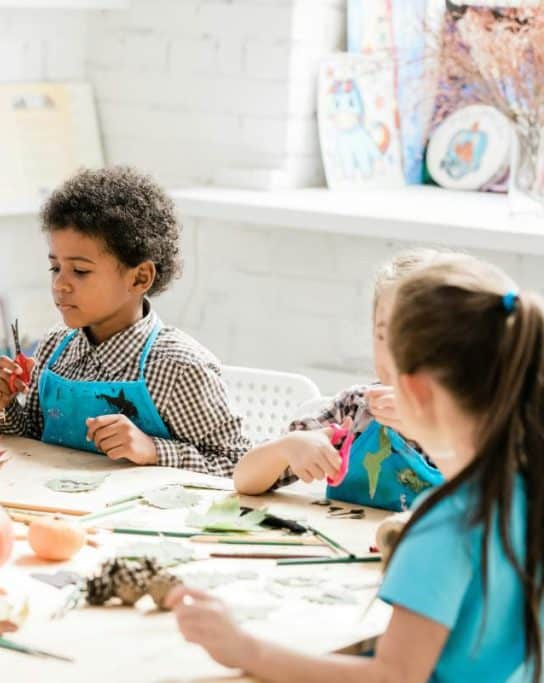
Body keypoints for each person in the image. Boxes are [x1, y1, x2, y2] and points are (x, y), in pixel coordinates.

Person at [168, 254, 543, 683]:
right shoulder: (522, 487)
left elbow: (395, 677)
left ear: (414, 392)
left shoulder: (445, 524)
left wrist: (244, 650)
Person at [0, 166, 249, 473]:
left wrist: (154, 450)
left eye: (80, 271)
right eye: (55, 268)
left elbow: (239, 466)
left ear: (140, 277)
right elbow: (34, 439)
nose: (60, 284)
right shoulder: (54, 348)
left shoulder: (179, 368)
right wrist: (0, 407)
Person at [233, 250, 444, 511]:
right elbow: (244, 481)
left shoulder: (471, 423)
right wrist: (287, 448)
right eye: (383, 334)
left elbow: (493, 513)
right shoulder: (355, 409)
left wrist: (432, 436)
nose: (396, 351)